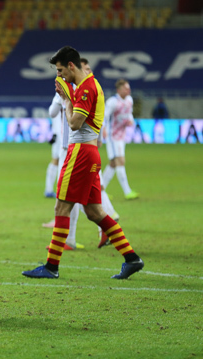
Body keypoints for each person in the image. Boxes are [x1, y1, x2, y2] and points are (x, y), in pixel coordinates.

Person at [23, 46, 143, 279]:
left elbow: (75, 123)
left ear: (71, 66)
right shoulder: (90, 85)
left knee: (61, 207)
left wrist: (67, 100)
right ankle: (131, 258)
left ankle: (51, 266)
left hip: (80, 153)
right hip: (89, 153)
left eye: (60, 71)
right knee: (94, 211)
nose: (59, 76)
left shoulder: (87, 88)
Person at [101, 79, 139, 200]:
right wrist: (104, 129)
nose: (129, 90)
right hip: (112, 136)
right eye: (126, 88)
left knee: (113, 163)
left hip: (122, 136)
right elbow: (104, 116)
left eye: (129, 88)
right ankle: (127, 191)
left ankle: (101, 191)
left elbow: (129, 114)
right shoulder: (113, 102)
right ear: (119, 90)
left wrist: (131, 120)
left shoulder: (129, 100)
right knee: (120, 161)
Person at [44, 96, 61, 198]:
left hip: (60, 134)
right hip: (60, 135)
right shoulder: (60, 96)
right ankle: (50, 190)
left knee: (57, 161)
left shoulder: (59, 96)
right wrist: (55, 133)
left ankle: (49, 189)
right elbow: (54, 115)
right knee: (57, 161)